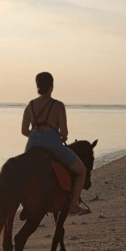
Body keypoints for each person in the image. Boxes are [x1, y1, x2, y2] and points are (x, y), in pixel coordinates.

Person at [21, 72, 89, 215]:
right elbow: (64, 133)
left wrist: (35, 135)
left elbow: (23, 130)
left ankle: (26, 205)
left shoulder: (30, 105)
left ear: (37, 86)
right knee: (81, 171)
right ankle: (72, 207)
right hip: (52, 144)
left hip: (31, 144)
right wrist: (56, 135)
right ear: (51, 86)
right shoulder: (58, 105)